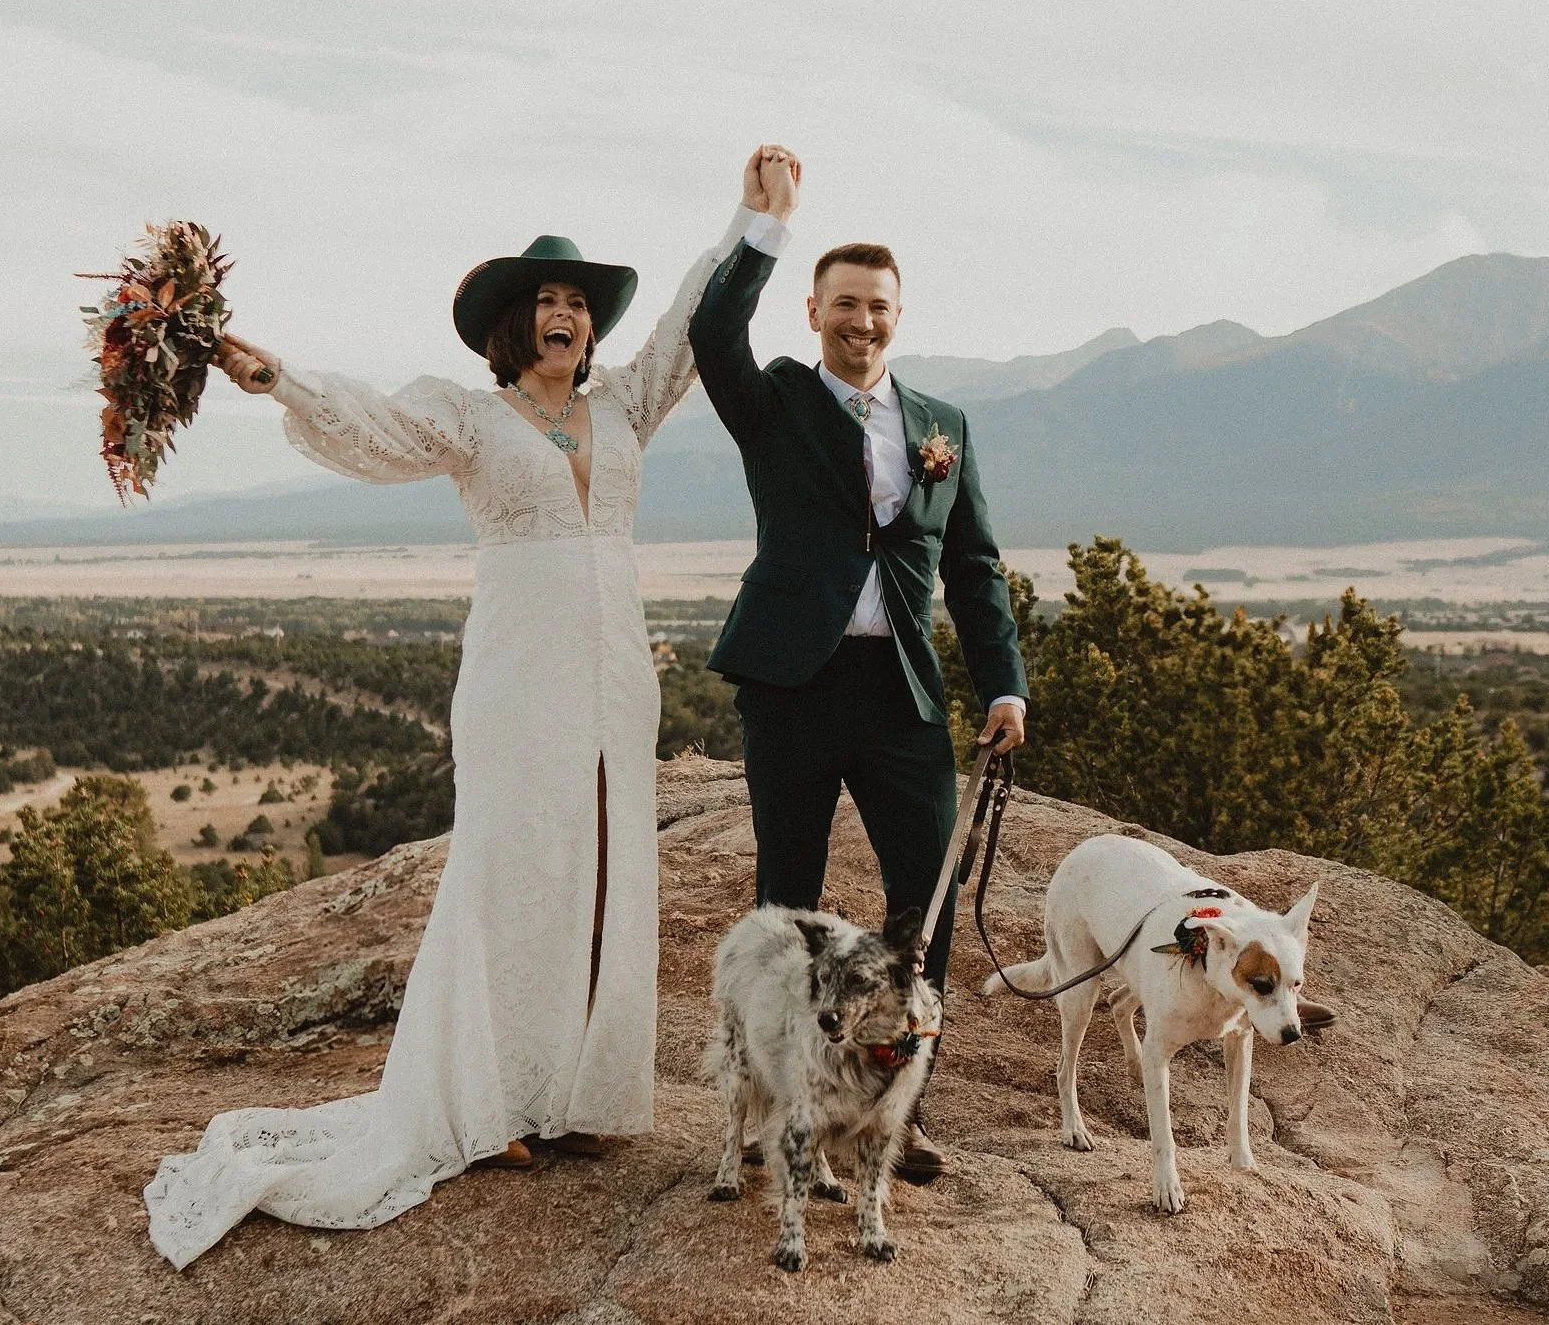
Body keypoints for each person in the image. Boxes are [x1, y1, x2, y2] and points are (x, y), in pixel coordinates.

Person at [142, 149, 797, 1267]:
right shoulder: (470, 416)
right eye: (545, 301)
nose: (564, 316)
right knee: (512, 870)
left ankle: (577, 1091)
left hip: (614, 678)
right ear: (511, 324)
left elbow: (690, 323)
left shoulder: (627, 402)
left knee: (600, 865)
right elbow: (369, 425)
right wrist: (280, 378)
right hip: (517, 677)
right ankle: (484, 1105)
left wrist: (755, 221)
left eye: (577, 304)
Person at [687, 178, 1029, 1183]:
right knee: (786, 910)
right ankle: (775, 1109)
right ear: (813, 311)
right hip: (791, 683)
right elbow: (713, 333)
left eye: (877, 303)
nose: (861, 319)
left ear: (897, 315)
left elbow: (972, 566)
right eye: (843, 302)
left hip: (902, 698)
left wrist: (1003, 683)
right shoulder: (777, 400)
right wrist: (764, 225)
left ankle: (894, 1109)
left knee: (918, 908)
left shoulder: (941, 424)